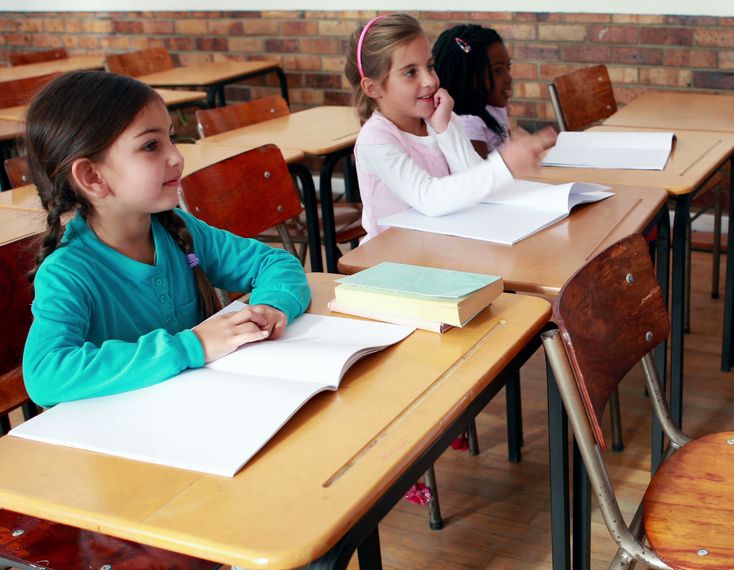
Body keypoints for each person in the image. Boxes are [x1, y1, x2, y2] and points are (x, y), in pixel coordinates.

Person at [22, 70, 311, 407]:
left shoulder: (177, 229)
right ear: (92, 176)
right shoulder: (68, 273)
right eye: (151, 145)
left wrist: (271, 305)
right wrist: (192, 346)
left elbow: (272, 261)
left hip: (201, 409)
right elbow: (45, 375)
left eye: (171, 139)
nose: (176, 157)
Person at [345, 13, 554, 241]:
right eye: (410, 72)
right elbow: (428, 197)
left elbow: (473, 178)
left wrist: (445, 129)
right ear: (373, 88)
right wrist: (504, 166)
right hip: (392, 261)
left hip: (443, 246)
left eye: (430, 66)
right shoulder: (376, 139)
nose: (430, 81)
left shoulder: (440, 119)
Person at [433, 24, 513, 158]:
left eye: (508, 67)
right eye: (498, 70)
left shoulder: (495, 110)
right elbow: (481, 175)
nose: (509, 78)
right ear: (469, 78)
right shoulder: (469, 124)